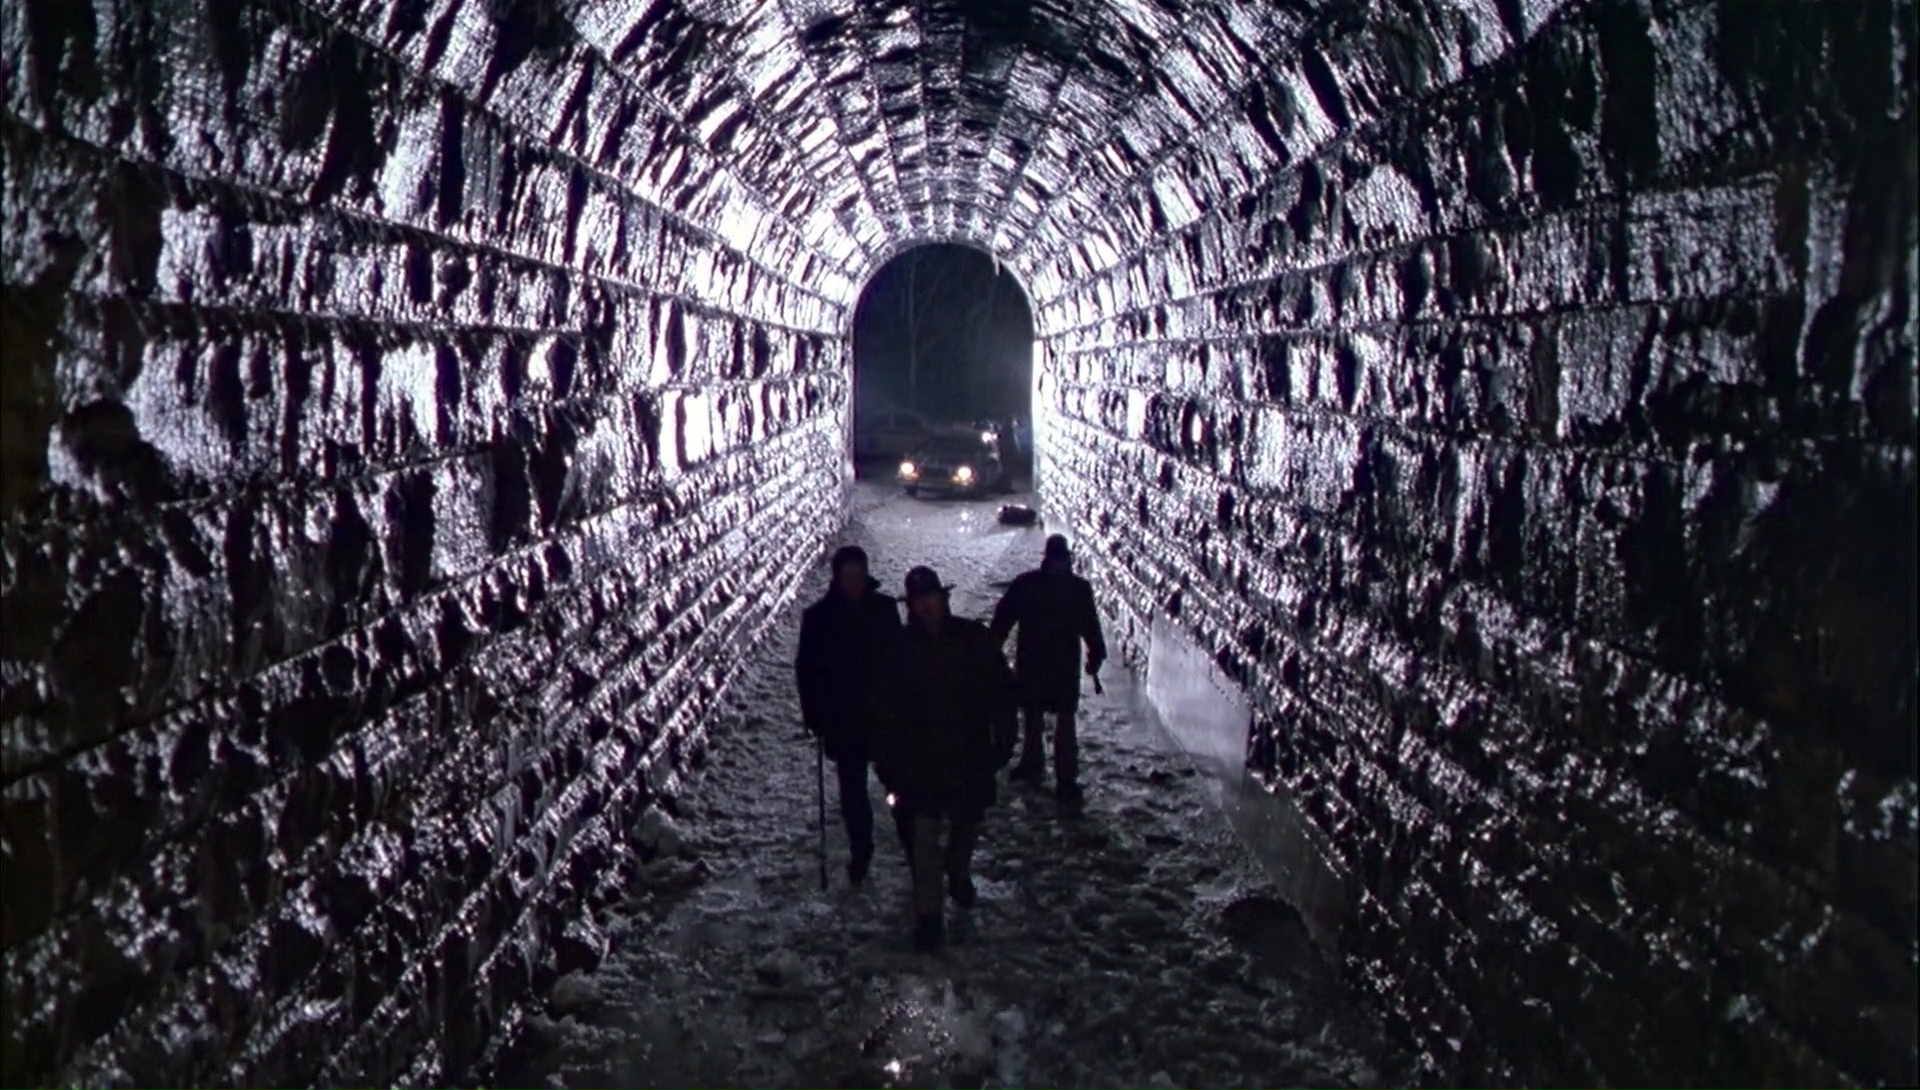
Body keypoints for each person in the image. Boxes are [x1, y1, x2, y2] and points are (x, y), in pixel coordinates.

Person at [873, 566, 1018, 950]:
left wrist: (1003, 739)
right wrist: (887, 759)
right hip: (919, 761)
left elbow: (1002, 692)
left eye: (931, 599)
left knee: (965, 827)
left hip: (967, 753)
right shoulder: (900, 650)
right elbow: (885, 709)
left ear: (943, 599)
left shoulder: (972, 640)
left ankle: (957, 868)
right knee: (923, 842)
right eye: (920, 601)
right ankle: (930, 919)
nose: (927, 607)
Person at [795, 545, 912, 887]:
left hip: (882, 713)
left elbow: (898, 658)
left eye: (859, 576)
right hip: (844, 716)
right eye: (848, 576)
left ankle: (912, 844)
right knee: (853, 790)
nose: (855, 583)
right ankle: (862, 850)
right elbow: (807, 670)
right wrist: (815, 715)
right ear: (837, 577)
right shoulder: (819, 618)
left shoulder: (883, 609)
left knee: (899, 781)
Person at [989, 534, 1107, 808]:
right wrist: (1095, 655)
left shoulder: (1027, 584)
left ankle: (1038, 766)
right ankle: (1063, 778)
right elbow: (1091, 626)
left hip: (1035, 660)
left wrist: (993, 647)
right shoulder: (1078, 589)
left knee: (1039, 716)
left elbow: (1003, 618)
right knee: (1058, 720)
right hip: (1061, 664)